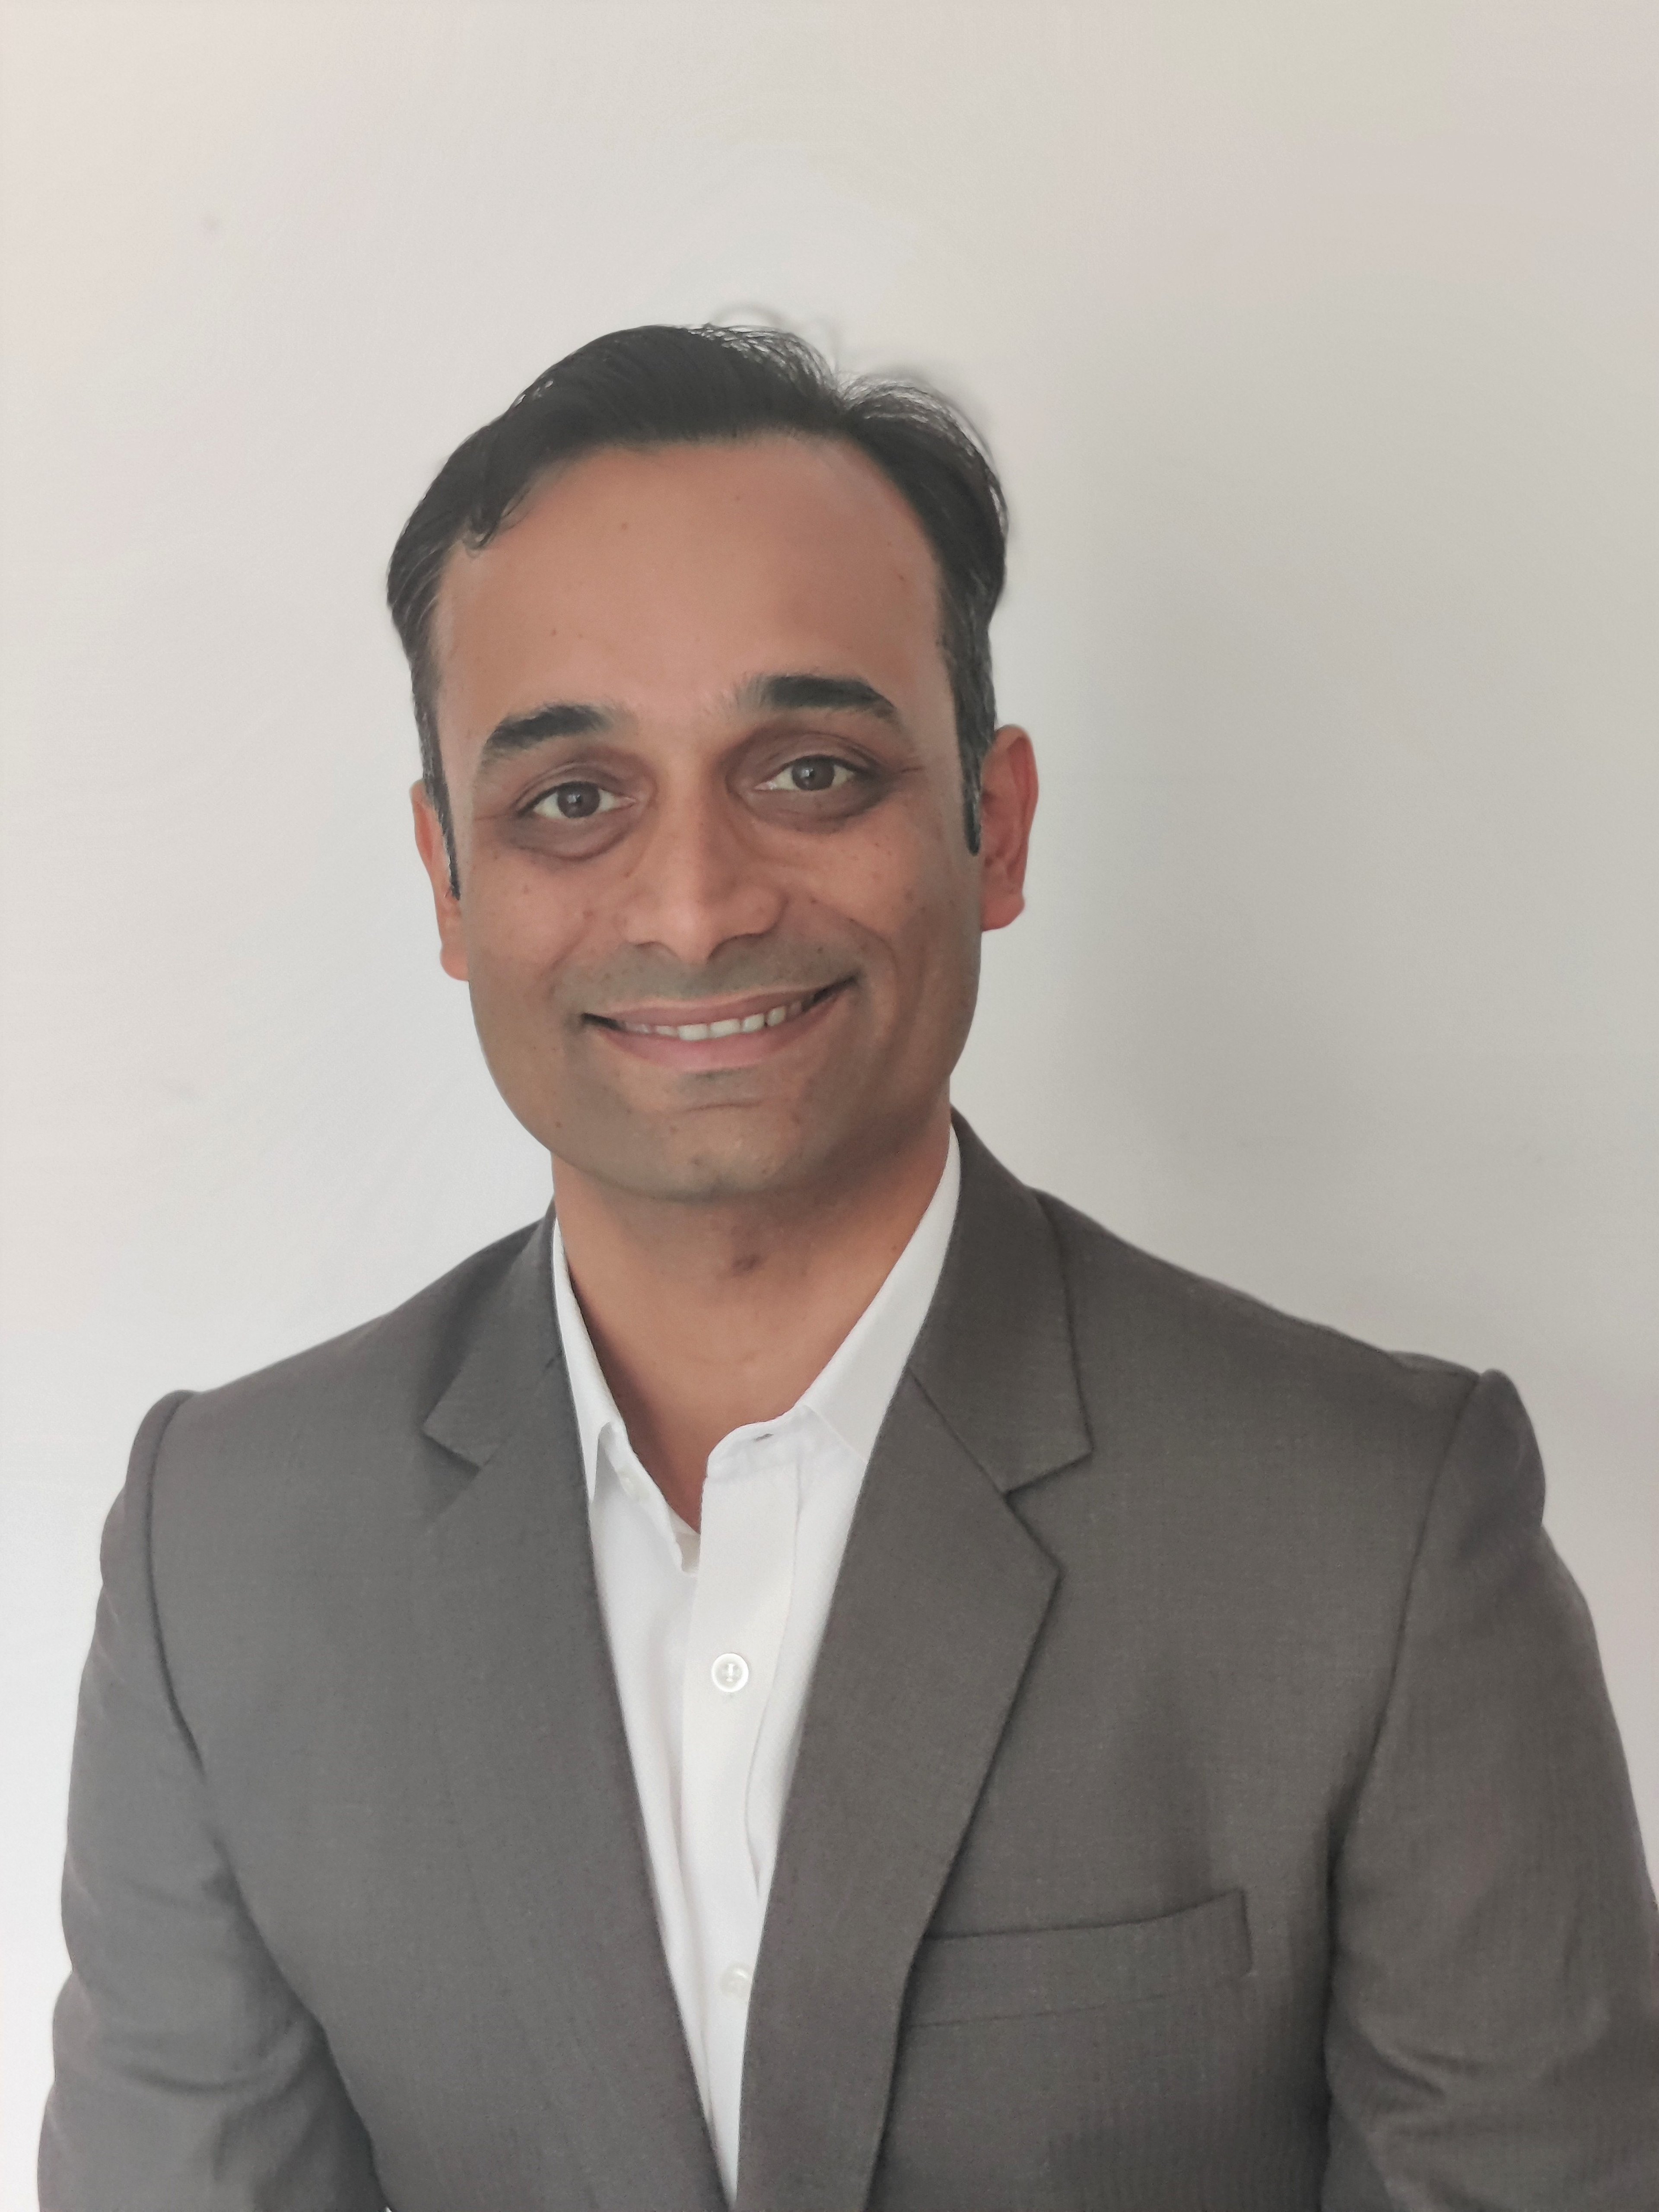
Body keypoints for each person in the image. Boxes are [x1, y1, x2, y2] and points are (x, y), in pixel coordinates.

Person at [41, 324, 1658, 2212]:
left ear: (998, 823)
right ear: (446, 883)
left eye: (809, 769)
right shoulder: (219, 1553)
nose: (697, 901)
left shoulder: (1381, 1534)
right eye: (573, 796)